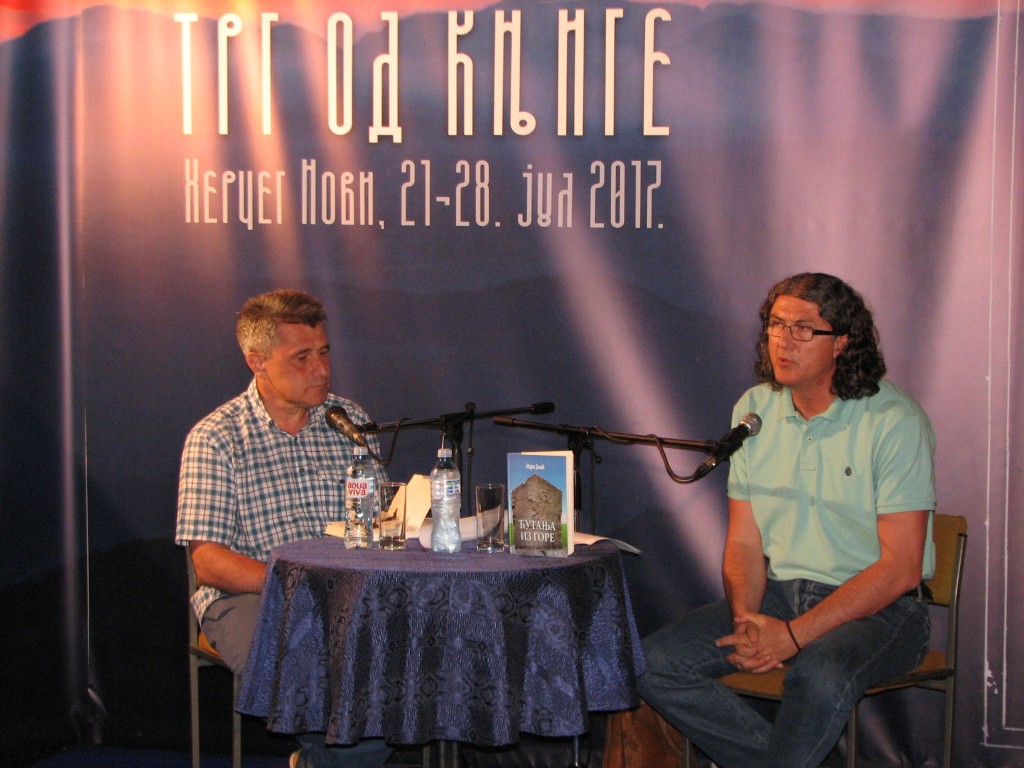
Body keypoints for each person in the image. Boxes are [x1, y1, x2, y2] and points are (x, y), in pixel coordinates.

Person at [638, 273, 936, 768]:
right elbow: (744, 544)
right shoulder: (754, 410)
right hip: (779, 596)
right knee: (654, 664)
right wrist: (747, 622)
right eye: (776, 325)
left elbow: (900, 569)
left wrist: (794, 636)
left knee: (816, 674)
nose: (783, 341)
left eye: (803, 329)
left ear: (842, 342)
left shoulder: (894, 420)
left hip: (882, 612)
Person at [175, 288, 392, 768]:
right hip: (253, 594)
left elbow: (380, 521)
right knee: (304, 661)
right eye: (302, 358)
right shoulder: (216, 437)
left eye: (324, 352)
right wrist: (292, 583)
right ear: (258, 362)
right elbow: (208, 562)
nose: (321, 369)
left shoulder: (349, 421)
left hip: (349, 590)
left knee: (400, 654)